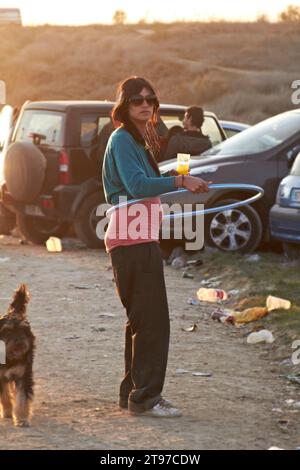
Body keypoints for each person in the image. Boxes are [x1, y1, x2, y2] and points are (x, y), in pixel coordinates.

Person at [102, 76, 210, 418]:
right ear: (125, 105)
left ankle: (133, 394)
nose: (145, 104)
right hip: (132, 241)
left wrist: (179, 178)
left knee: (140, 321)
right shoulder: (122, 139)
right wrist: (180, 180)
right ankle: (146, 398)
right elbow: (136, 185)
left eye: (150, 99)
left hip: (136, 238)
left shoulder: (136, 140)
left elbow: (142, 180)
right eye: (137, 100)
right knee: (153, 323)